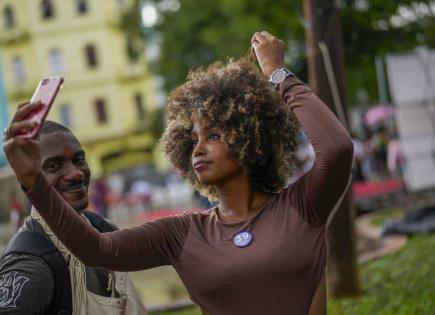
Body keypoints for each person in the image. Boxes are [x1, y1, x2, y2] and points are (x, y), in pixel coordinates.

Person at [3, 32, 353, 315]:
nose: (198, 148)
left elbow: (336, 150)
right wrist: (32, 180)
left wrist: (278, 75)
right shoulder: (182, 234)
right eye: (194, 139)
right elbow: (97, 249)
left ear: (252, 138)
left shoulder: (302, 207)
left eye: (213, 136)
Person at [0, 121, 146, 314]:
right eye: (53, 165)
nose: (76, 173)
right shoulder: (32, 263)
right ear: (26, 177)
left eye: (79, 160)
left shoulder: (104, 229)